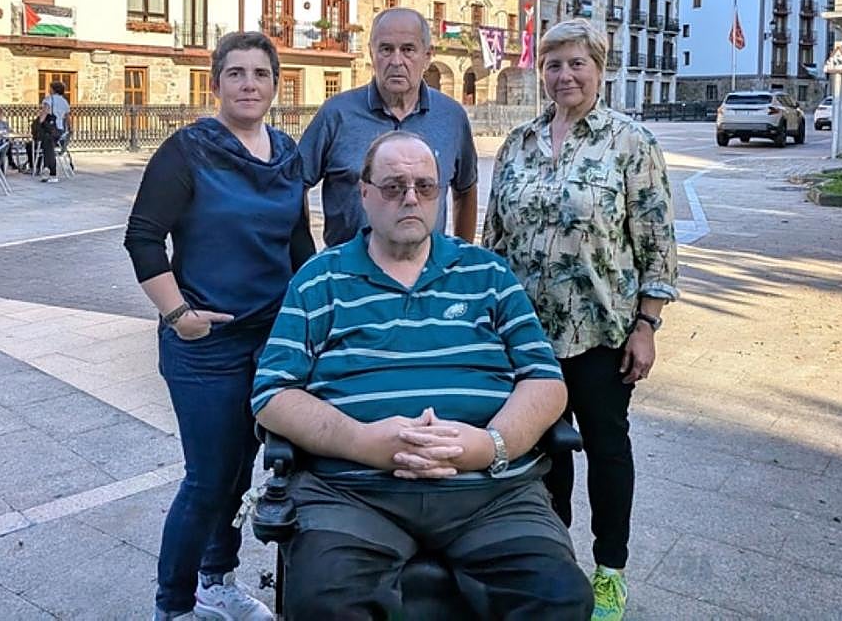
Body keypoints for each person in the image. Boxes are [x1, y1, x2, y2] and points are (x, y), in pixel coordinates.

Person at [252, 130, 594, 621]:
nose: (411, 197)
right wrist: (363, 442)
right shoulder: (318, 280)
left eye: (425, 187)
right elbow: (272, 392)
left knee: (560, 599)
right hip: (353, 491)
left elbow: (544, 380)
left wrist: (490, 445)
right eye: (393, 186)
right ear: (364, 193)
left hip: (491, 493)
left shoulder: (489, 275)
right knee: (324, 604)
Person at [482, 19, 679, 621]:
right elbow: (495, 235)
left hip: (600, 330)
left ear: (599, 67)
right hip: (525, 333)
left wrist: (648, 322)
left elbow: (656, 236)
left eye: (576, 64)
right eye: (553, 65)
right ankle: (552, 557)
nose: (564, 75)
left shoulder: (630, 141)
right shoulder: (518, 141)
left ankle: (610, 570)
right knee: (540, 446)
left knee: (605, 444)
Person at [124, 31, 315, 621]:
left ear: (276, 85)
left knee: (240, 474)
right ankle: (173, 606)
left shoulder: (287, 154)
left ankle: (215, 583)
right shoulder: (189, 150)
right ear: (216, 84)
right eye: (236, 73)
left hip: (272, 342)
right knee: (208, 479)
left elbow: (299, 244)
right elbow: (143, 237)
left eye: (260, 74)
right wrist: (179, 315)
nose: (248, 84)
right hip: (204, 345)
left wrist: (313, 316)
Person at [297, 7, 478, 247]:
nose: (396, 61)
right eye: (386, 49)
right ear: (372, 54)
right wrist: (303, 251)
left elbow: (465, 189)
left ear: (427, 56)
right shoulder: (336, 114)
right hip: (349, 278)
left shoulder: (452, 117)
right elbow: (295, 184)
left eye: (408, 50)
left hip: (428, 278)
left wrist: (458, 259)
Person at [36, 80, 71, 183]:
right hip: (59, 130)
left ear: (53, 89)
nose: (48, 90)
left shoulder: (49, 99)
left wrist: (39, 123)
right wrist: (69, 130)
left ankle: (52, 172)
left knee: (48, 147)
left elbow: (44, 114)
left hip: (50, 129)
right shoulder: (65, 101)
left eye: (50, 88)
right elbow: (67, 117)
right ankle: (46, 168)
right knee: (48, 147)